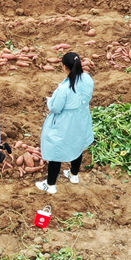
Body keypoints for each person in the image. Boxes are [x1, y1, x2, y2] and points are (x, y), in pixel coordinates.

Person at [35, 52, 94, 194]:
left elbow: (56, 108)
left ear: (64, 67)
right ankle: (73, 175)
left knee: (56, 149)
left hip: (64, 122)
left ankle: (50, 185)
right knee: (77, 143)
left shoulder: (64, 89)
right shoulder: (87, 79)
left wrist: (50, 101)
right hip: (81, 118)